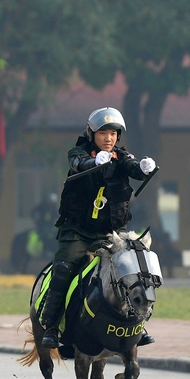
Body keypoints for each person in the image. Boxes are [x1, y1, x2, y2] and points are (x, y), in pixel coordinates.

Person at [39, 107, 157, 349]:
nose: (109, 138)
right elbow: (77, 163)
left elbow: (131, 167)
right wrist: (93, 161)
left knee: (135, 267)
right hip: (77, 232)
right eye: (103, 133)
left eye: (113, 133)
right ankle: (51, 326)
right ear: (91, 133)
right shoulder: (78, 152)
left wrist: (143, 168)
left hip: (111, 233)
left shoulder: (120, 158)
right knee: (62, 269)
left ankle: (138, 323)